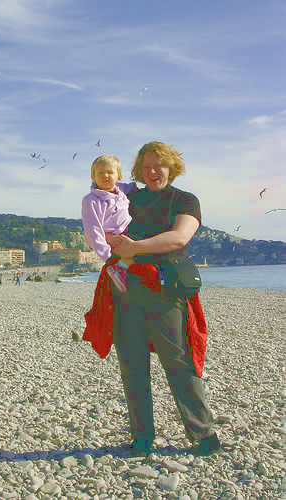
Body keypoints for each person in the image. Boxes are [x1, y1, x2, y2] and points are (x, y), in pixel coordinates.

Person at [83, 141, 220, 458]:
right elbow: (99, 209)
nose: (152, 171)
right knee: (132, 363)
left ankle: (202, 433)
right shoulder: (126, 195)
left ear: (172, 167)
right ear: (137, 171)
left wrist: (134, 248)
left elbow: (179, 237)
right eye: (146, 166)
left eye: (158, 165)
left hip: (165, 289)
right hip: (124, 288)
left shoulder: (184, 200)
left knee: (179, 361)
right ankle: (142, 437)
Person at [81, 154, 138, 292]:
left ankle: (122, 271)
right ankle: (117, 269)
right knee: (138, 255)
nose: (105, 175)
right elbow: (93, 230)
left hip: (129, 233)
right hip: (114, 240)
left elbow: (133, 186)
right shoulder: (92, 200)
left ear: (118, 176)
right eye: (100, 172)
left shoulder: (121, 191)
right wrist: (108, 257)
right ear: (93, 177)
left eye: (110, 172)